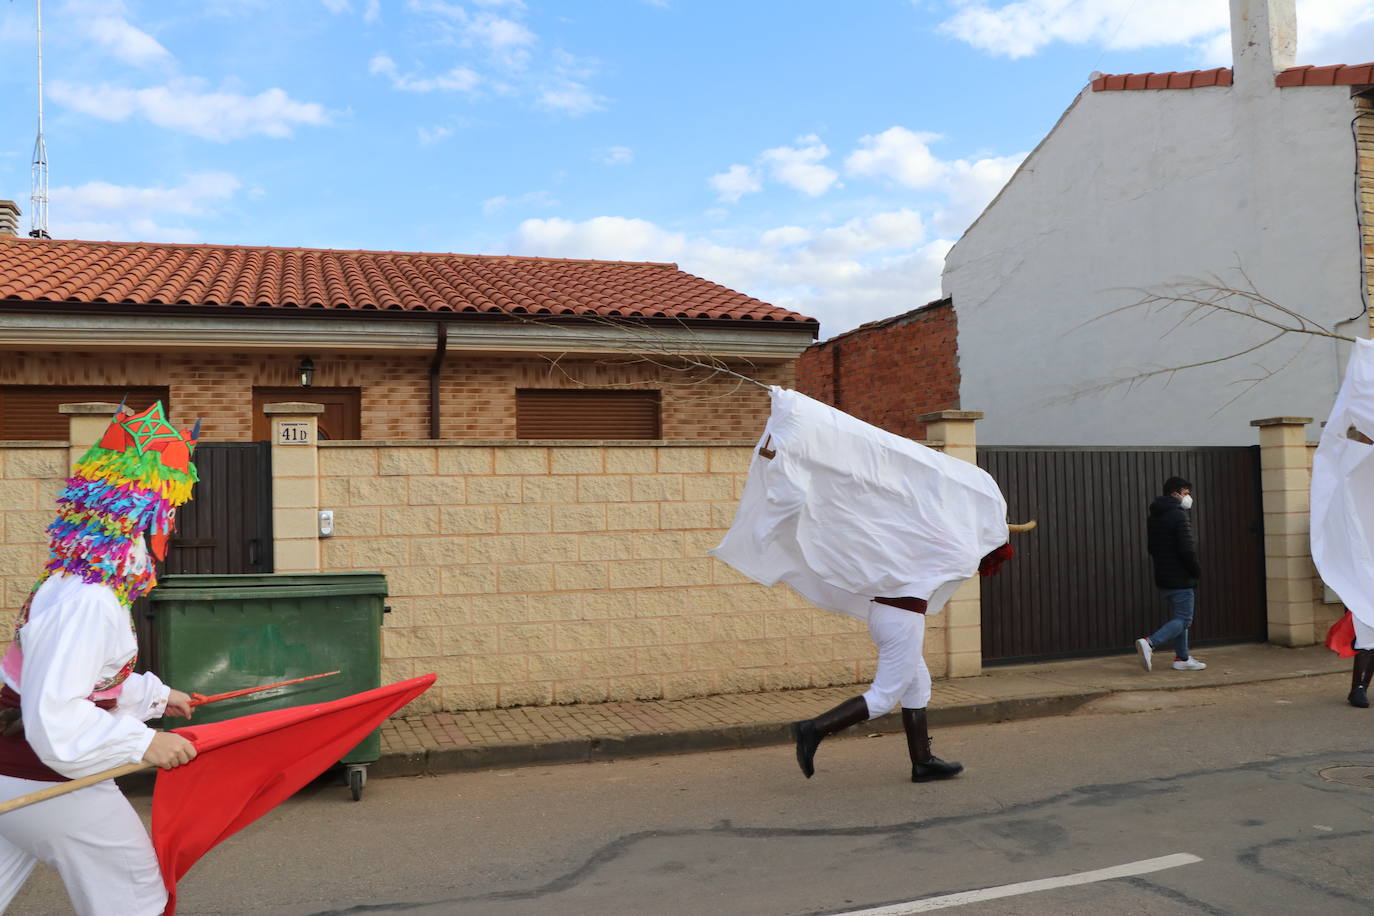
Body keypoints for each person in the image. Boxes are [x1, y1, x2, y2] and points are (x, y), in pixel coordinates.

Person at [711, 388, 1018, 783]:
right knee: (886, 695)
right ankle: (813, 729)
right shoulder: (924, 554)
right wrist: (986, 527)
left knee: (917, 683)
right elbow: (960, 551)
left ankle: (923, 761)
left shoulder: (902, 550)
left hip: (888, 615)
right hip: (899, 619)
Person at [0, 402, 201, 915]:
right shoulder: (88, 600)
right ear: (143, 516)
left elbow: (85, 679)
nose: (173, 526)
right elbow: (57, 715)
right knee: (132, 893)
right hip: (45, 778)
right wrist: (144, 742)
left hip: (14, 773)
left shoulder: (73, 583)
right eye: (169, 510)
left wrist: (158, 697)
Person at [1135, 476, 1206, 672]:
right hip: (1180, 576)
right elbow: (1186, 549)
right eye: (1185, 493)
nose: (1188, 497)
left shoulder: (1155, 515)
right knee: (1184, 619)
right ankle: (1150, 643)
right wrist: (1195, 570)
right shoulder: (1178, 515)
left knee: (1179, 617)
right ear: (1175, 494)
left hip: (1163, 576)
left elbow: (1152, 548)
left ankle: (1182, 658)